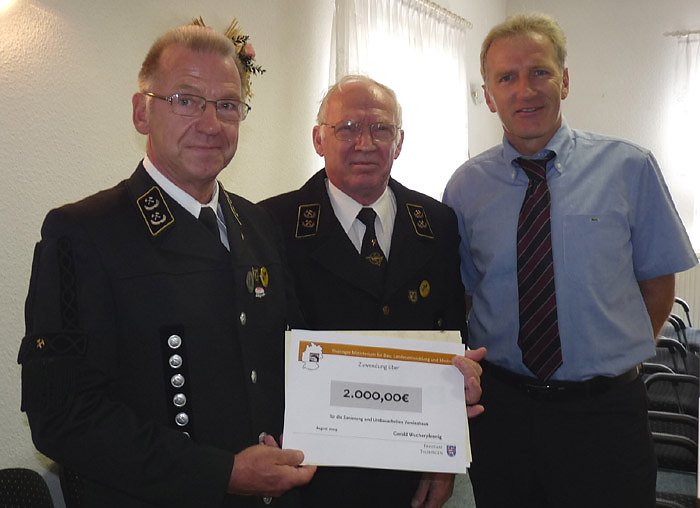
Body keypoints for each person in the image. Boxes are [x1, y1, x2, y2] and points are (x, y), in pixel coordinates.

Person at [18, 24, 315, 508]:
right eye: (186, 100)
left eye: (227, 105)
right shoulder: (84, 233)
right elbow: (62, 416)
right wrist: (222, 473)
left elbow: (295, 358)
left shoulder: (258, 224)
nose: (210, 123)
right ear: (142, 112)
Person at [442, 13, 698, 508]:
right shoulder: (465, 188)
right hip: (505, 414)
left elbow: (657, 283)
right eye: (506, 77)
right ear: (489, 95)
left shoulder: (629, 167)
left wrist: (612, 359)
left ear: (564, 80)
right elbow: (467, 294)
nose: (525, 90)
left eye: (539, 71)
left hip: (606, 415)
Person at [260, 74, 485, 508]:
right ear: (318, 139)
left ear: (399, 142)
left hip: (410, 469)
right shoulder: (272, 224)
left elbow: (452, 339)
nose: (365, 143)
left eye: (381, 128)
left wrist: (442, 461)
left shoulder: (437, 224)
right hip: (311, 473)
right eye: (347, 128)